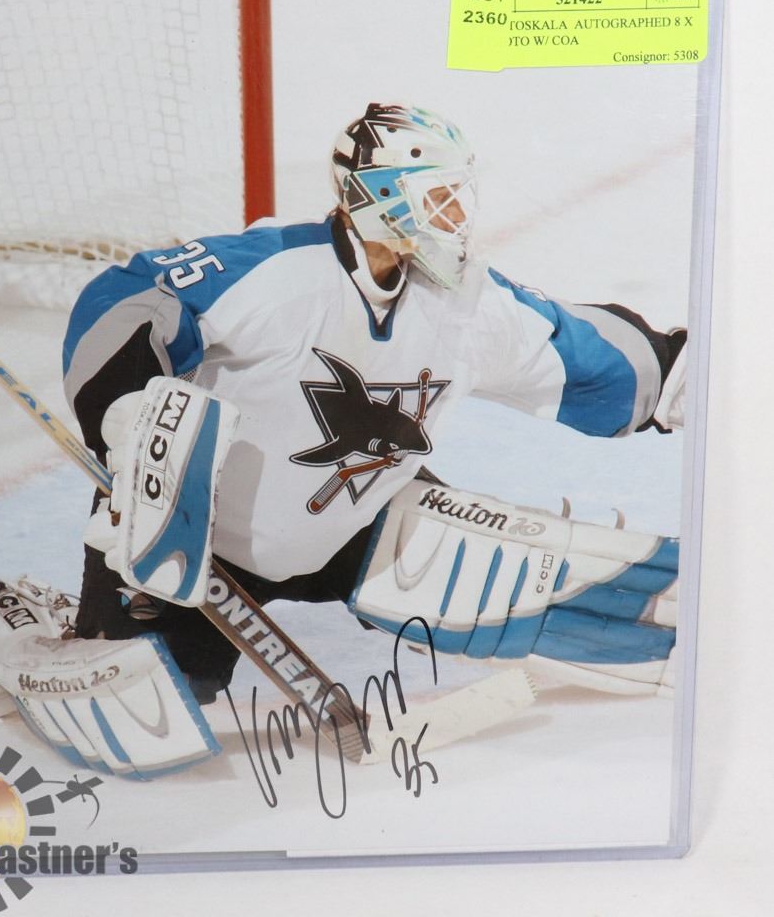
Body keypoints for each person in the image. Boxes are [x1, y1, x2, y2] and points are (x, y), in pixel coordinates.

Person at [61, 102, 685, 706]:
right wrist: (122, 412)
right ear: (382, 196)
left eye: (458, 196)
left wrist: (686, 378)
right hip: (193, 539)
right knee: (155, 696)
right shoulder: (276, 272)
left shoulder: (466, 303)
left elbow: (583, 354)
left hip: (355, 520)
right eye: (438, 196)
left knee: (496, 574)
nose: (456, 215)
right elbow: (134, 297)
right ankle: (63, 630)